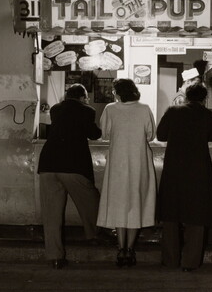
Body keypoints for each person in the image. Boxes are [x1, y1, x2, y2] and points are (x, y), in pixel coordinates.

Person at [156, 83, 212, 272]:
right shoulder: (208, 115)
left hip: (174, 169)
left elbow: (161, 136)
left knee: (171, 215)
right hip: (198, 170)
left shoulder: (173, 111)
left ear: (186, 96)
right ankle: (190, 262)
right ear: (204, 98)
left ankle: (170, 260)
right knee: (196, 216)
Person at [37, 83, 102, 269]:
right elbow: (94, 134)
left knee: (51, 213)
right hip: (73, 164)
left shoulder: (56, 109)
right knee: (91, 200)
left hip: (48, 164)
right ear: (83, 97)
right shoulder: (87, 110)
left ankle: (55, 257)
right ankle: (94, 235)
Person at [97, 78, 157, 267]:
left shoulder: (110, 109)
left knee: (119, 203)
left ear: (118, 92)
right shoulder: (145, 109)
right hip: (140, 162)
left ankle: (121, 248)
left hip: (118, 163)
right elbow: (151, 135)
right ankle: (130, 249)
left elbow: (104, 134)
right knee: (136, 202)